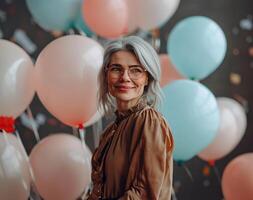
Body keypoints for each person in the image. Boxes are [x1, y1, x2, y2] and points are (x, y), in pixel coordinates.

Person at [87, 36, 174, 200]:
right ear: (106, 75)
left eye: (136, 70)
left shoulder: (150, 121)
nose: (125, 77)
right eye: (116, 69)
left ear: (147, 78)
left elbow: (144, 193)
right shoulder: (110, 131)